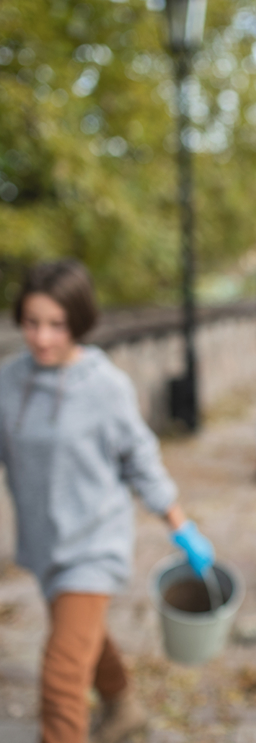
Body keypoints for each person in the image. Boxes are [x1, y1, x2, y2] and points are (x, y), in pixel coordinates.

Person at [0, 260, 215, 743]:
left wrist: (181, 525)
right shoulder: (9, 382)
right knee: (81, 641)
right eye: (32, 323)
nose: (42, 337)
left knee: (60, 675)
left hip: (94, 543)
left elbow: (141, 460)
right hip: (43, 541)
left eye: (56, 324)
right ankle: (123, 708)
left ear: (78, 321)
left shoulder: (105, 386)